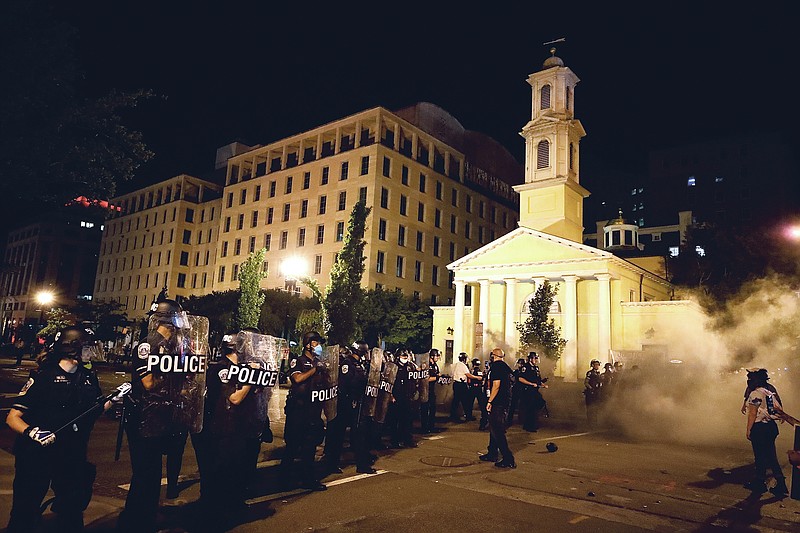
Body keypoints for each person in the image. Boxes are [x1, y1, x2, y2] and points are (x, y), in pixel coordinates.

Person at [5, 326, 131, 533]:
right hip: (36, 455)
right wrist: (32, 432)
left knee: (72, 509)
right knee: (25, 508)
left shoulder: (88, 377)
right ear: (72, 349)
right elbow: (13, 417)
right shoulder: (43, 377)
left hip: (71, 453)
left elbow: (93, 411)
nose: (92, 351)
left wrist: (115, 398)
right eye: (88, 347)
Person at [118, 299, 206, 533]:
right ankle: (135, 521)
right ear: (170, 320)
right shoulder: (148, 346)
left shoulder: (174, 347)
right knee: (145, 473)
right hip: (145, 417)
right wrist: (172, 379)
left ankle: (146, 516)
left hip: (162, 417)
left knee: (154, 472)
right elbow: (148, 383)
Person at [279, 331, 328, 491]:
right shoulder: (298, 360)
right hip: (298, 411)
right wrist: (314, 369)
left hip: (313, 411)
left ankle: (308, 479)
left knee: (310, 447)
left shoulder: (319, 362)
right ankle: (284, 480)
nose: (318, 346)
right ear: (307, 344)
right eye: (315, 343)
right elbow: (297, 379)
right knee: (292, 446)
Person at [324, 340, 376, 474]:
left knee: (359, 434)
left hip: (358, 403)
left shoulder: (360, 364)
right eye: (365, 352)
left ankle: (362, 463)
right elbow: (345, 384)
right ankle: (332, 464)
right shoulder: (348, 364)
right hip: (347, 403)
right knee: (339, 434)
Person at [744, 368, 788, 496]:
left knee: (760, 457)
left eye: (750, 378)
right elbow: (776, 409)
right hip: (770, 427)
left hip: (760, 428)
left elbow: (752, 413)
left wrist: (749, 430)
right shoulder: (768, 392)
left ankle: (759, 483)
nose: (748, 381)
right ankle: (780, 483)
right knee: (771, 457)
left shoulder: (756, 394)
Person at [479, 348, 515, 468]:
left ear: (494, 356)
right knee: (493, 428)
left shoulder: (497, 366)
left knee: (498, 430)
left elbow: (496, 385)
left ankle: (508, 458)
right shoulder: (505, 366)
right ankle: (492, 453)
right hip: (503, 401)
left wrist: (490, 401)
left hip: (498, 402)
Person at [389, 350, 416, 448]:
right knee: (396, 420)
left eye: (406, 356)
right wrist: (391, 395)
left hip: (407, 396)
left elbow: (414, 379)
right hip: (397, 397)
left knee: (408, 420)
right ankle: (395, 441)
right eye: (402, 356)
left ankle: (408, 440)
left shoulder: (410, 366)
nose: (405, 358)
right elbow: (388, 382)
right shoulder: (393, 367)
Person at [523, 352, 548, 432]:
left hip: (535, 390)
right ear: (531, 358)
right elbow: (520, 378)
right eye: (535, 358)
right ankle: (529, 426)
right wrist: (531, 384)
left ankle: (532, 423)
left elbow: (538, 380)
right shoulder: (526, 367)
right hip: (528, 390)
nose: (536, 360)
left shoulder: (536, 368)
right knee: (530, 408)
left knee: (539, 404)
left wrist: (543, 384)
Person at [419, 348, 440, 433]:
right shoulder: (426, 365)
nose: (438, 358)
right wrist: (437, 378)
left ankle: (431, 426)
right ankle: (424, 427)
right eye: (437, 356)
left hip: (432, 389)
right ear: (432, 356)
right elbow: (425, 379)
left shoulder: (435, 365)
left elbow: (438, 374)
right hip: (425, 390)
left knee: (432, 409)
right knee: (425, 409)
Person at [450, 353, 475, 422]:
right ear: (464, 359)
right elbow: (468, 375)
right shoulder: (463, 365)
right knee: (466, 401)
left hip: (456, 384)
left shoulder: (455, 365)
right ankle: (468, 416)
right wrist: (477, 377)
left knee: (456, 401)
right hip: (461, 385)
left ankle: (453, 416)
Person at [467, 358, 489, 430]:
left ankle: (468, 415)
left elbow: (479, 378)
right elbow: (481, 378)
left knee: (470, 403)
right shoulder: (477, 371)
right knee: (481, 404)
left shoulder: (473, 371)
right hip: (477, 388)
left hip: (474, 388)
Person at [583, 359, 603, 428]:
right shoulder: (590, 373)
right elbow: (586, 382)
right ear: (592, 365)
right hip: (590, 393)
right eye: (596, 365)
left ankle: (595, 421)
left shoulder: (598, 373)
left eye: (598, 365)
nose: (597, 366)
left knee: (596, 408)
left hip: (596, 393)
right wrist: (591, 389)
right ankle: (590, 422)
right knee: (590, 408)